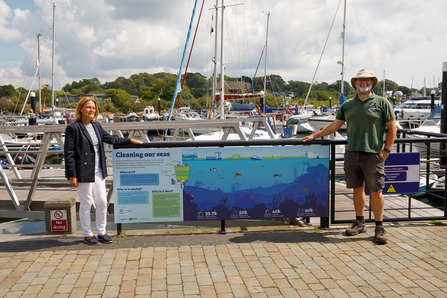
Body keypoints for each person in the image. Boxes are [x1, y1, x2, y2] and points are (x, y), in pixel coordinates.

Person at [303, 69, 397, 244]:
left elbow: (392, 127)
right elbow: (335, 126)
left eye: (367, 80)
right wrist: (314, 136)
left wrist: (387, 150)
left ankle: (379, 226)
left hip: (373, 154)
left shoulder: (382, 102)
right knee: (356, 189)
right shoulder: (348, 105)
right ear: (355, 84)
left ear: (372, 83)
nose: (363, 83)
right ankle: (360, 222)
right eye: (360, 81)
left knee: (376, 191)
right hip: (352, 153)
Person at [64, 97, 143, 245]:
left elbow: (110, 139)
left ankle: (102, 232)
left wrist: (130, 140)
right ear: (80, 109)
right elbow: (68, 153)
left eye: (93, 108)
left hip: (98, 170)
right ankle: (88, 235)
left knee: (102, 202)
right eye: (88, 107)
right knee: (86, 203)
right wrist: (71, 175)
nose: (91, 110)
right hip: (82, 171)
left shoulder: (96, 126)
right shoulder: (73, 128)